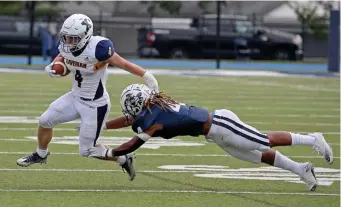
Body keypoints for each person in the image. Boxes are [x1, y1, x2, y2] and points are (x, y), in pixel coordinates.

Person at [88, 84, 333, 191]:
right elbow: (130, 120)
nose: (131, 115)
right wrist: (101, 127)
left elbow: (133, 144)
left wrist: (111, 153)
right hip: (214, 134)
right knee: (255, 156)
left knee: (262, 140)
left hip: (221, 123)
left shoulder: (154, 119)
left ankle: (313, 139)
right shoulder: (152, 108)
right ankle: (301, 169)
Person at [16, 14, 159, 181]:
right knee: (45, 120)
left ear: (85, 36)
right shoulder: (66, 45)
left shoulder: (99, 48)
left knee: (87, 150)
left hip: (95, 105)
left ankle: (123, 158)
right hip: (74, 96)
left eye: (73, 38)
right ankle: (41, 154)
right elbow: (64, 58)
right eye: (66, 37)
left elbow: (124, 64)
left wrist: (147, 76)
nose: (68, 41)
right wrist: (54, 66)